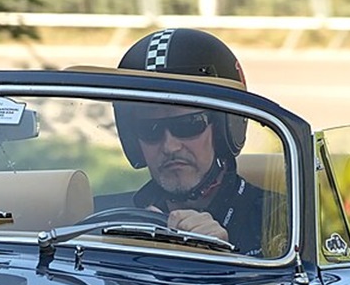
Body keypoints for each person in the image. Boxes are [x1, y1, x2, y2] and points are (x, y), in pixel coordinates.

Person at [100, 28, 270, 255]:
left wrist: (224, 261)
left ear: (221, 130)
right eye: (150, 129)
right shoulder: (104, 223)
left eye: (188, 125)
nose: (170, 146)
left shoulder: (277, 222)